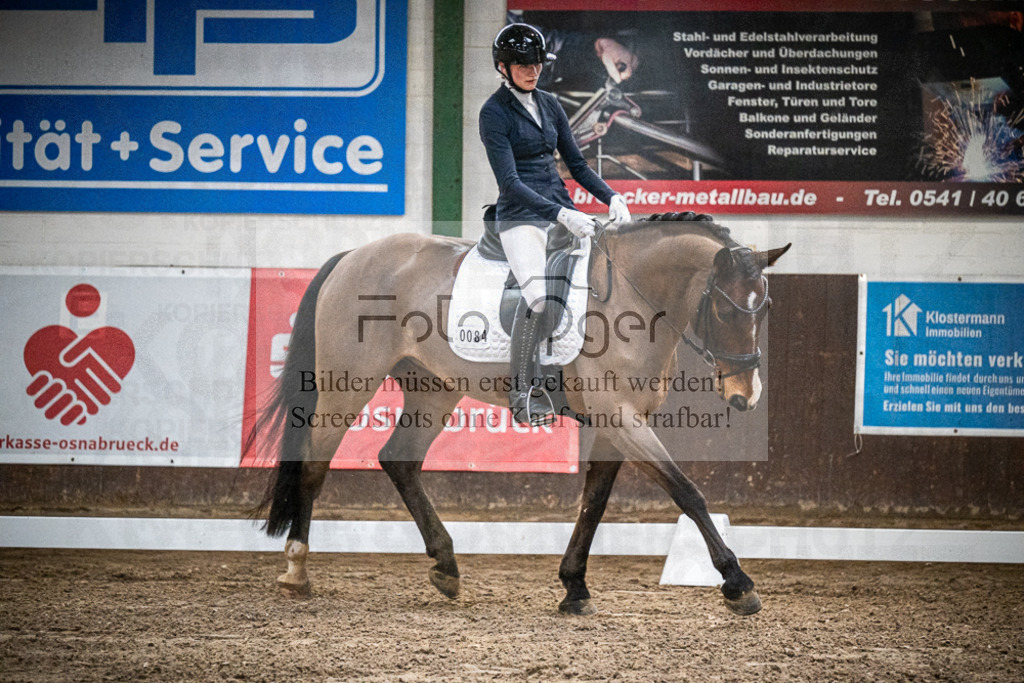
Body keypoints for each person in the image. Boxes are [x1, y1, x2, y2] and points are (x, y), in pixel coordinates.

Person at [479, 22, 631, 427]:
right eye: (523, 65)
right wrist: (562, 214)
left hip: (560, 209)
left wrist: (612, 197)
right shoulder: (493, 113)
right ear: (503, 67)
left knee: (594, 286)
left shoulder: (549, 104)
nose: (533, 71)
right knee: (540, 299)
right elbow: (509, 182)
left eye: (537, 64)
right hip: (520, 218)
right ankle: (523, 393)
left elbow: (577, 164)